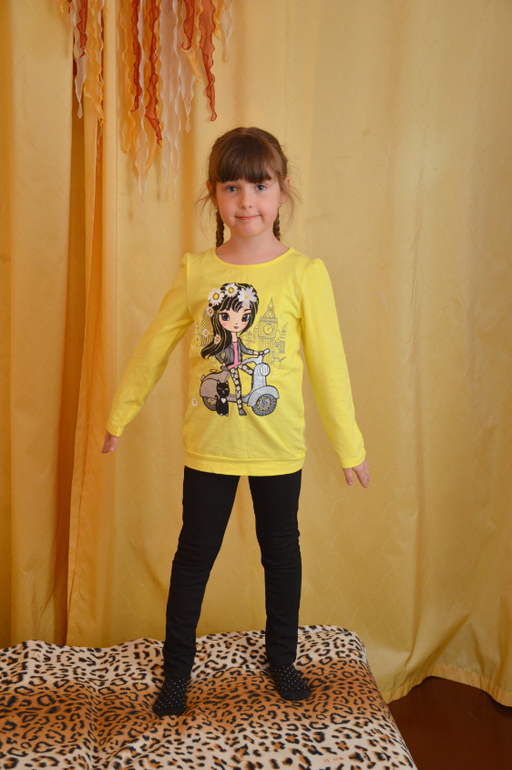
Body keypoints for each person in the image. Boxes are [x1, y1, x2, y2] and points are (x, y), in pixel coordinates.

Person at [103, 127, 370, 717]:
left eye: (260, 186)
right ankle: (177, 672)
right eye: (232, 187)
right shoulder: (197, 271)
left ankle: (282, 660)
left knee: (282, 554)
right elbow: (154, 346)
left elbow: (330, 366)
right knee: (193, 556)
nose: (246, 201)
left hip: (279, 450)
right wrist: (121, 412)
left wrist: (349, 446)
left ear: (282, 191)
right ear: (214, 194)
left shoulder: (304, 273)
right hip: (210, 447)